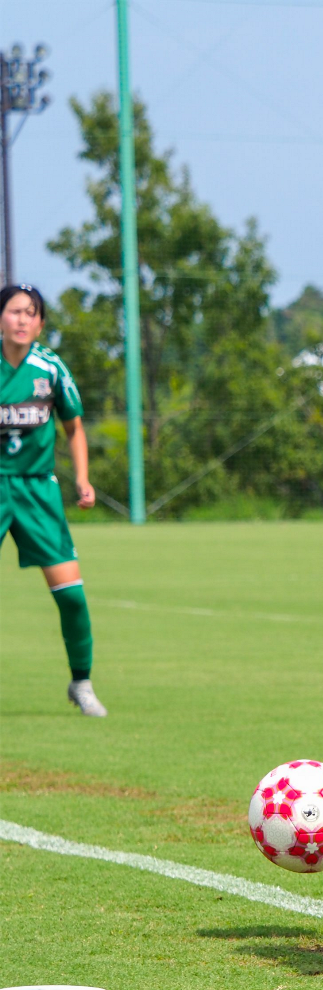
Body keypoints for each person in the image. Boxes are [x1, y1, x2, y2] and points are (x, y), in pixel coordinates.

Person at [0, 283, 104, 716]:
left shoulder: (51, 368)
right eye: (14, 311)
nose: (22, 320)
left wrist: (82, 477)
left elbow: (74, 427)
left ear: (40, 322)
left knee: (71, 595)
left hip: (39, 490)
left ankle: (81, 682)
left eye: (31, 313)